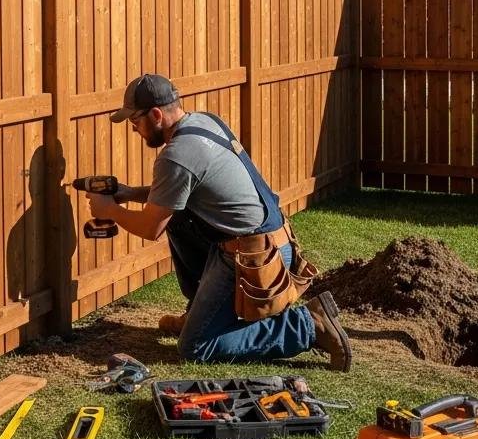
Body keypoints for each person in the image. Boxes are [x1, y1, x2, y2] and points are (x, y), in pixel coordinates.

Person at [85, 72, 352, 371]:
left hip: (255, 258)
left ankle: (308, 325)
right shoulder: (204, 121)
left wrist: (109, 210)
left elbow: (151, 227)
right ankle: (199, 313)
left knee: (196, 346)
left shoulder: (176, 155)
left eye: (135, 120)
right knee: (178, 216)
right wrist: (129, 193)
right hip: (273, 241)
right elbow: (178, 191)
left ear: (156, 115)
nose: (134, 128)